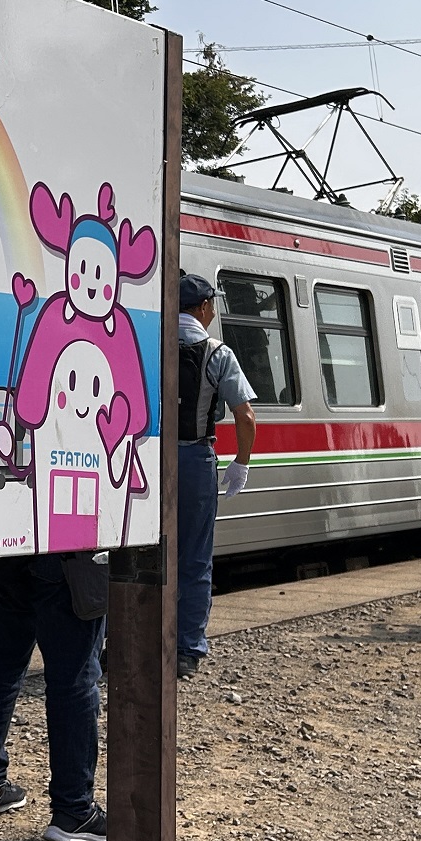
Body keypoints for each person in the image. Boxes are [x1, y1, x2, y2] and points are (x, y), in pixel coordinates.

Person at [0, 554, 107, 841]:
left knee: (1, 662)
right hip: (67, 555)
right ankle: (74, 811)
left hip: (5, 553)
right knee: (74, 679)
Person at [175, 272, 257, 679]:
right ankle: (186, 650)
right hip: (194, 460)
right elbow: (245, 415)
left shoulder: (149, 343)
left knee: (134, 555)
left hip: (145, 461)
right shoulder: (216, 352)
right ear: (205, 307)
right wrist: (241, 462)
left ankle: (120, 642)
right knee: (194, 557)